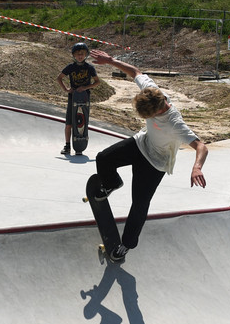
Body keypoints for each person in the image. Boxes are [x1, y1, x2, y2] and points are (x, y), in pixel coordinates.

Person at [86, 49, 208, 263]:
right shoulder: (152, 91)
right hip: (141, 144)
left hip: (156, 163)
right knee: (103, 158)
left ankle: (125, 246)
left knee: (139, 204)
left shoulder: (174, 122)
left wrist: (197, 167)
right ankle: (112, 183)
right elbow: (135, 72)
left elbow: (201, 146)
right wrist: (111, 61)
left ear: (157, 112)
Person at [57, 40, 100, 155]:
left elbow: (97, 82)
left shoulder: (89, 68)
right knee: (69, 123)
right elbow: (59, 78)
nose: (80, 56)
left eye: (82, 54)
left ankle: (80, 143)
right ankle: (67, 146)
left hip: (85, 98)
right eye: (78, 54)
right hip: (73, 97)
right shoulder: (70, 67)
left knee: (82, 121)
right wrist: (66, 89)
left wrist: (85, 87)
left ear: (86, 55)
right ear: (74, 55)